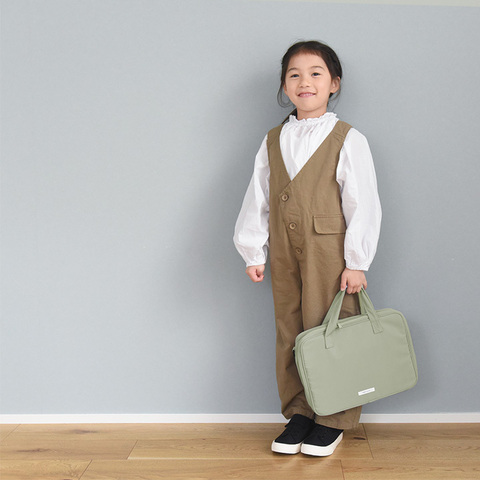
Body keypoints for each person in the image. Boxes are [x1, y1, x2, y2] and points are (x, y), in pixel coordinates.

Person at [233, 40, 382, 457]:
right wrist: (253, 250)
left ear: (334, 83)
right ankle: (299, 412)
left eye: (316, 73)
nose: (305, 82)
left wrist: (356, 261)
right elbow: (258, 196)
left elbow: (363, 203)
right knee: (291, 331)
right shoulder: (273, 139)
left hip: (329, 252)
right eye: (294, 74)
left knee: (331, 331)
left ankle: (333, 417)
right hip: (284, 250)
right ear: (285, 86)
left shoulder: (347, 138)